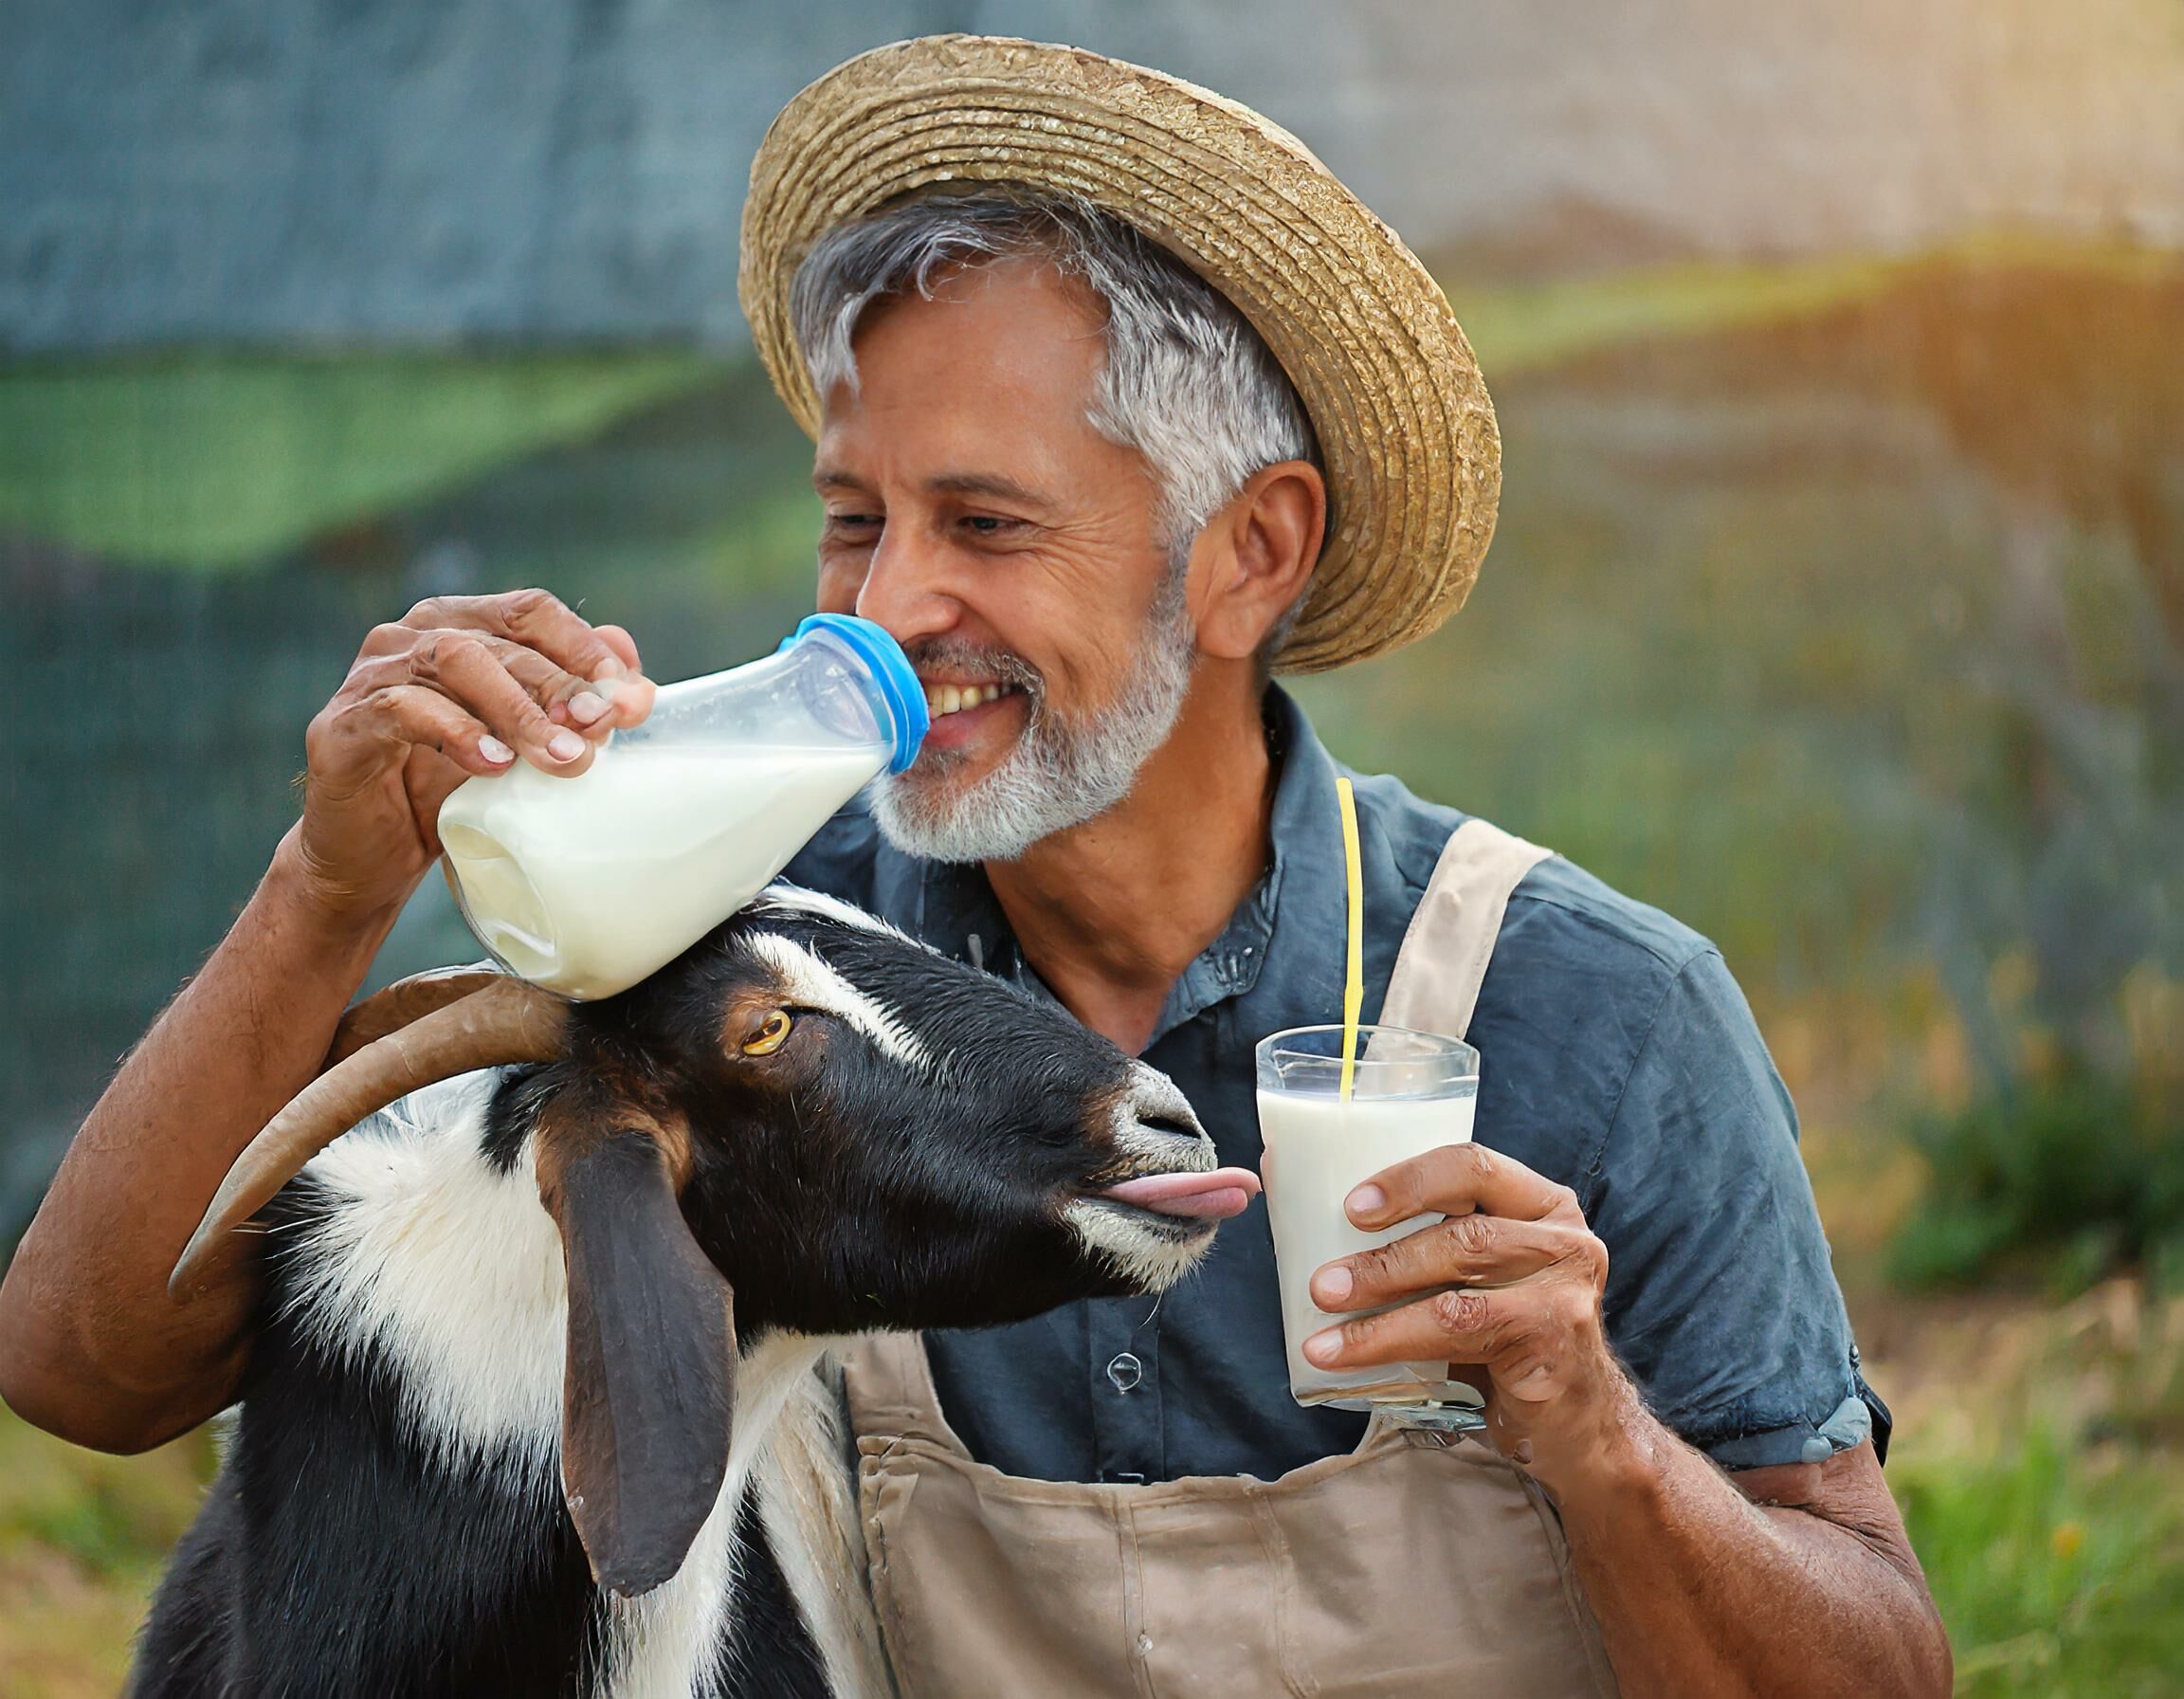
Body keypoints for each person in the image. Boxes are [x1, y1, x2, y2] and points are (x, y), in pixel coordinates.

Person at [0, 36, 1949, 1697]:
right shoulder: (725, 962)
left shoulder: (1587, 1015)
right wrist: (330, 876)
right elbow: (85, 1364)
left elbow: (1881, 1655)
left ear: (1250, 554)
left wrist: (1590, 1425)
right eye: (855, 520)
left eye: (986, 522)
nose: (894, 601)